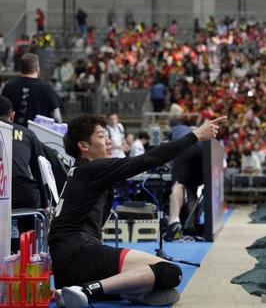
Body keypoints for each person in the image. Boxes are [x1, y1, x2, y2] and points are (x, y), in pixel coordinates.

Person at [48, 114, 227, 308]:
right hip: (80, 254)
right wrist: (196, 135)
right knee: (170, 272)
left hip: (67, 263)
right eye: (101, 136)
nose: (109, 141)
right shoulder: (94, 168)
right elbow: (148, 159)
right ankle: (87, 290)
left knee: (159, 284)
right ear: (83, 146)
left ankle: (102, 289)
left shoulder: (80, 170)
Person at [0, 95, 47, 252]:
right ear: (12, 115)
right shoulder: (27, 134)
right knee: (27, 235)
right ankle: (26, 257)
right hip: (24, 195)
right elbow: (40, 171)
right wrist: (45, 204)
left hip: (4, 194)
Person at [165, 120, 204, 241]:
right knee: (192, 190)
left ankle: (174, 222)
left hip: (184, 149)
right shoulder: (196, 131)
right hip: (202, 152)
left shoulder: (176, 130)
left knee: (178, 185)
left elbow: (167, 146)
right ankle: (191, 225)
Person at [1, 53, 62, 126]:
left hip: (14, 133)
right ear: (37, 68)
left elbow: (2, 111)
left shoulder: (9, 86)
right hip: (39, 134)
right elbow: (56, 115)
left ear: (21, 68)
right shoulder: (46, 88)